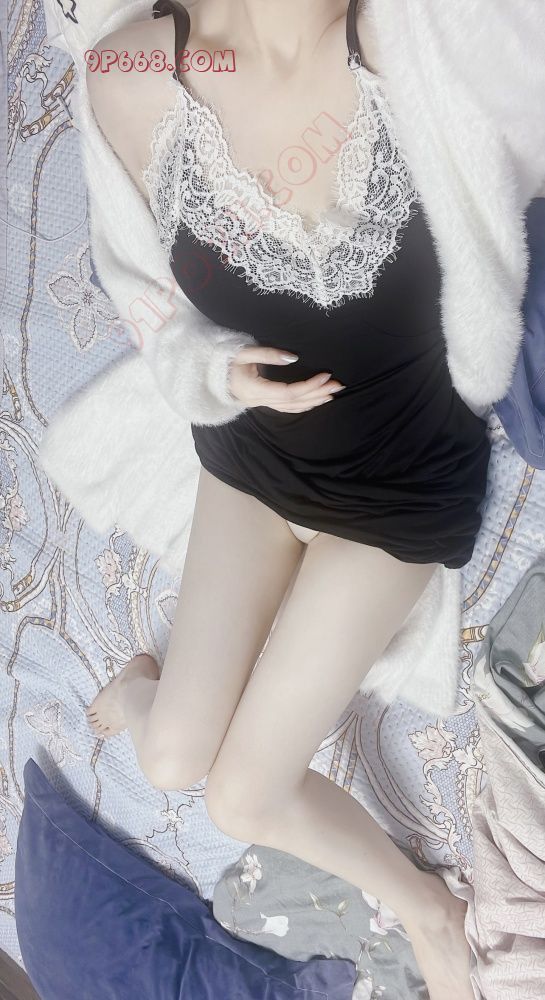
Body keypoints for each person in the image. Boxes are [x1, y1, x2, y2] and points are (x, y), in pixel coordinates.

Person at [84, 1, 489, 996]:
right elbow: (139, 292)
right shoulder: (129, 66)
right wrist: (212, 371)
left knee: (241, 797)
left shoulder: (400, 37)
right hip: (252, 461)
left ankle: (429, 912)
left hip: (396, 485)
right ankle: (137, 692)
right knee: (170, 758)